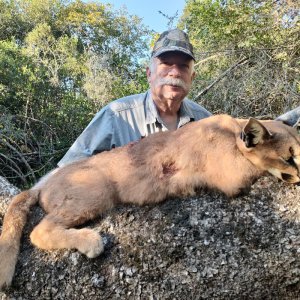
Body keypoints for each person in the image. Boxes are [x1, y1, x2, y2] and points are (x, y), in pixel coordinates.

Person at [58, 28, 300, 167]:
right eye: (165, 64)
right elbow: (68, 168)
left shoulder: (204, 119)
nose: (174, 72)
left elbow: (247, 144)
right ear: (149, 73)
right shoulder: (117, 115)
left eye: (183, 66)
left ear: (192, 77)